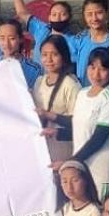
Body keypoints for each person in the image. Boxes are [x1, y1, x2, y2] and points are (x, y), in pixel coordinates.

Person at [67, 47, 109, 199]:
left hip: (102, 164)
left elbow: (99, 137)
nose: (96, 74)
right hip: (81, 161)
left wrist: (72, 162)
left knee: (103, 205)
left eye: (102, 69)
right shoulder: (82, 93)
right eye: (92, 67)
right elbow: (78, 126)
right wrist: (52, 120)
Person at [33, 35, 81, 163]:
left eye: (54, 54)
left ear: (64, 56)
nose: (48, 59)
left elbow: (78, 122)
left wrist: (48, 115)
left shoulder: (70, 84)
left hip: (63, 148)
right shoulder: (39, 82)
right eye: (44, 54)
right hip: (42, 146)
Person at [70, 0, 109, 87]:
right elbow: (71, 68)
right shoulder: (78, 40)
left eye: (99, 13)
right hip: (82, 94)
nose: (94, 18)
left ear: (107, 13)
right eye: (89, 14)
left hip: (107, 95)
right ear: (84, 15)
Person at [9, 0, 73, 50]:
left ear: (69, 17)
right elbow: (22, 13)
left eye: (63, 14)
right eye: (54, 14)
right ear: (49, 17)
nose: (58, 18)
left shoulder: (75, 42)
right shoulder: (41, 30)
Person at [0, 18, 41, 88]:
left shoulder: (34, 69)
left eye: (12, 38)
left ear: (21, 39)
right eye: (2, 38)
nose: (6, 43)